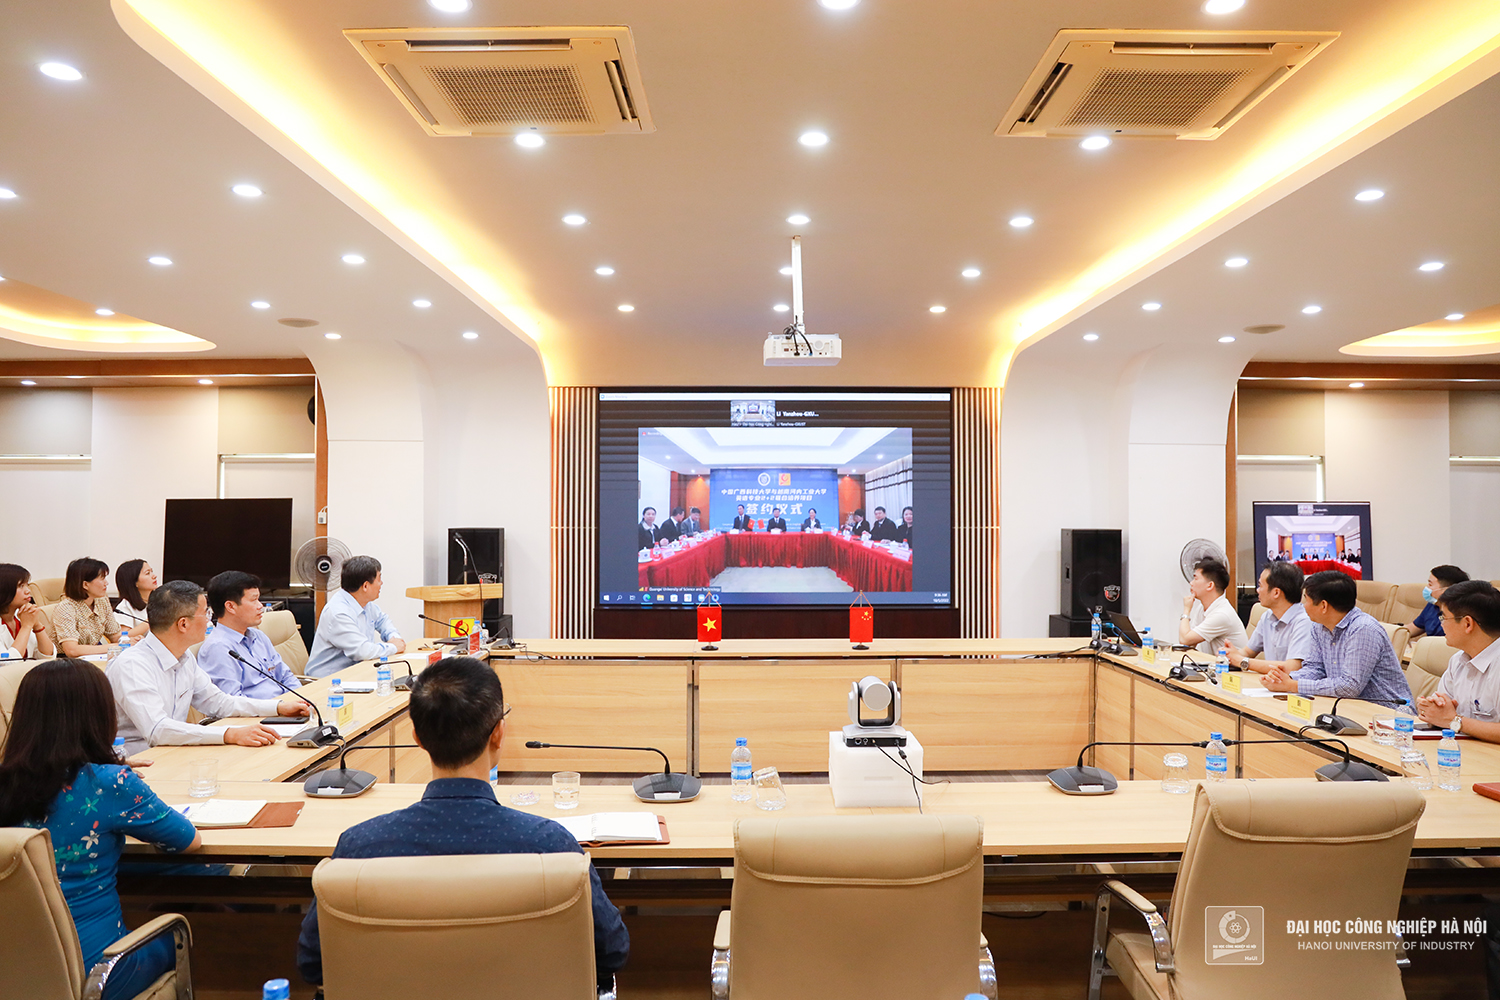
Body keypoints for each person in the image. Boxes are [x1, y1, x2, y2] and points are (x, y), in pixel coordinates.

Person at [296, 656, 630, 991]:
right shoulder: (550, 845)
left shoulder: (360, 847)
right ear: (498, 734)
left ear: (417, 737)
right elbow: (612, 950)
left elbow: (312, 963)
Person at [0, 658, 203, 1000]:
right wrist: (114, 773)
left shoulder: (8, 783)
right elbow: (189, 841)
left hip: (13, 973)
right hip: (100, 972)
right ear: (97, 715)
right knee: (199, 927)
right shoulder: (109, 784)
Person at [108, 580, 309, 755]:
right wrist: (229, 734)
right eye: (205, 613)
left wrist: (278, 707)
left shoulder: (184, 657)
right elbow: (157, 730)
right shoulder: (132, 665)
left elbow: (219, 702)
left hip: (173, 752)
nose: (209, 619)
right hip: (135, 763)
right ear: (183, 624)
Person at [1263, 570, 1413, 703]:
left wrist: (1293, 685)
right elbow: (1315, 669)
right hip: (1346, 705)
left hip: (1388, 712)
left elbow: (1350, 687)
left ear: (1323, 606)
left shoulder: (1363, 629)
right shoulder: (1318, 626)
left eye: (1306, 600)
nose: (1304, 606)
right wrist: (1286, 678)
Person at [1415, 581, 1500, 742]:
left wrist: (1454, 721)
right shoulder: (1458, 660)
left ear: (1467, 624)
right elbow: (1442, 713)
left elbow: (1449, 719)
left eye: (1444, 617)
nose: (1441, 624)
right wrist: (1431, 709)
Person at [198, 570, 302, 699]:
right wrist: (279, 707)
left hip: (286, 704)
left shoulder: (259, 636)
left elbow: (286, 676)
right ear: (230, 606)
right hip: (264, 710)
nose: (260, 606)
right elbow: (233, 703)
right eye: (254, 600)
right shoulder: (218, 648)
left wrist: (302, 700)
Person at [305, 555, 406, 678]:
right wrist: (393, 647)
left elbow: (383, 621)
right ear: (365, 586)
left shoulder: (365, 604)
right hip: (328, 680)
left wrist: (394, 638)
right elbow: (362, 651)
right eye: (379, 578)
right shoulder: (338, 613)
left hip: (355, 673)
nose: (381, 583)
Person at [1225, 563, 1312, 675]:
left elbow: (1292, 667)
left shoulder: (1304, 622)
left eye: (1260, 586)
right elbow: (1247, 652)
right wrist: (1230, 655)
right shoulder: (1267, 616)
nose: (1257, 590)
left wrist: (1243, 662)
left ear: (1276, 593)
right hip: (1269, 682)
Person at [50, 557, 123, 658]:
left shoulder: (102, 601)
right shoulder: (66, 608)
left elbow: (115, 635)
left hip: (93, 657)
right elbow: (71, 650)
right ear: (85, 584)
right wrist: (112, 647)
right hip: (67, 661)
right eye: (102, 578)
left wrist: (129, 641)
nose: (106, 583)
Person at [1177, 558, 1249, 655]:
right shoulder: (1202, 608)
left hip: (1229, 664)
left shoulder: (1222, 614)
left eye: (1196, 578)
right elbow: (1190, 644)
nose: (1191, 583)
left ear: (1210, 585)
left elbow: (1185, 640)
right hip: (1212, 662)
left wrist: (1186, 610)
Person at [0, 563, 55, 659]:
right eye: (21, 586)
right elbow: (7, 662)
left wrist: (37, 625)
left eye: (27, 585)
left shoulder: (21, 616)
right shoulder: (25, 621)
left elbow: (48, 656)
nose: (28, 591)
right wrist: (26, 626)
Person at [1409, 564, 1470, 640]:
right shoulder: (1432, 605)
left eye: (1430, 584)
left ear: (1447, 590)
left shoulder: (1461, 612)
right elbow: (1411, 629)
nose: (1427, 588)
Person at [113, 559, 158, 641]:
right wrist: (151, 620)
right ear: (134, 582)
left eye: (152, 571)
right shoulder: (125, 607)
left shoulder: (159, 601)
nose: (154, 576)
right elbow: (122, 637)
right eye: (147, 573)